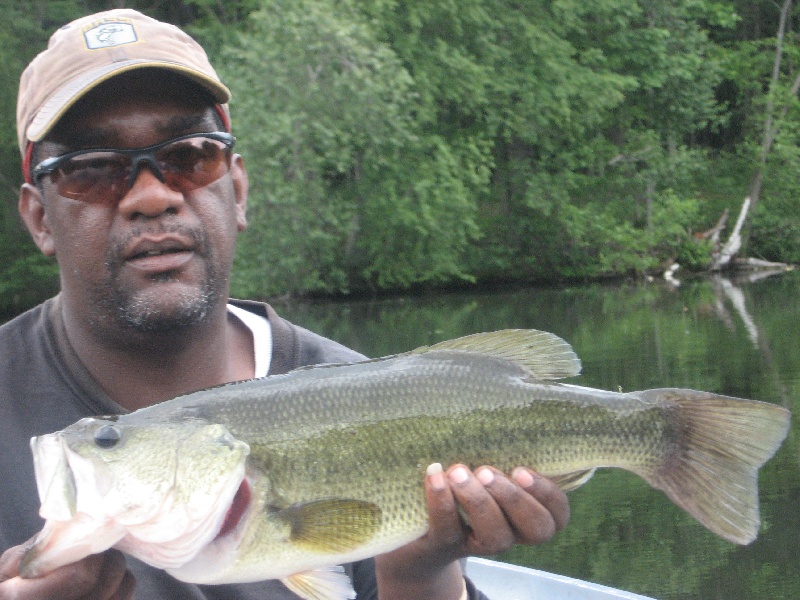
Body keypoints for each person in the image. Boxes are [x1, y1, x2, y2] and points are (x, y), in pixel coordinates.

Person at [0, 9, 569, 600]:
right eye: (92, 171)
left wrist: (418, 570)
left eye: (192, 155)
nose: (151, 195)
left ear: (237, 189)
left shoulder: (361, 388)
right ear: (40, 218)